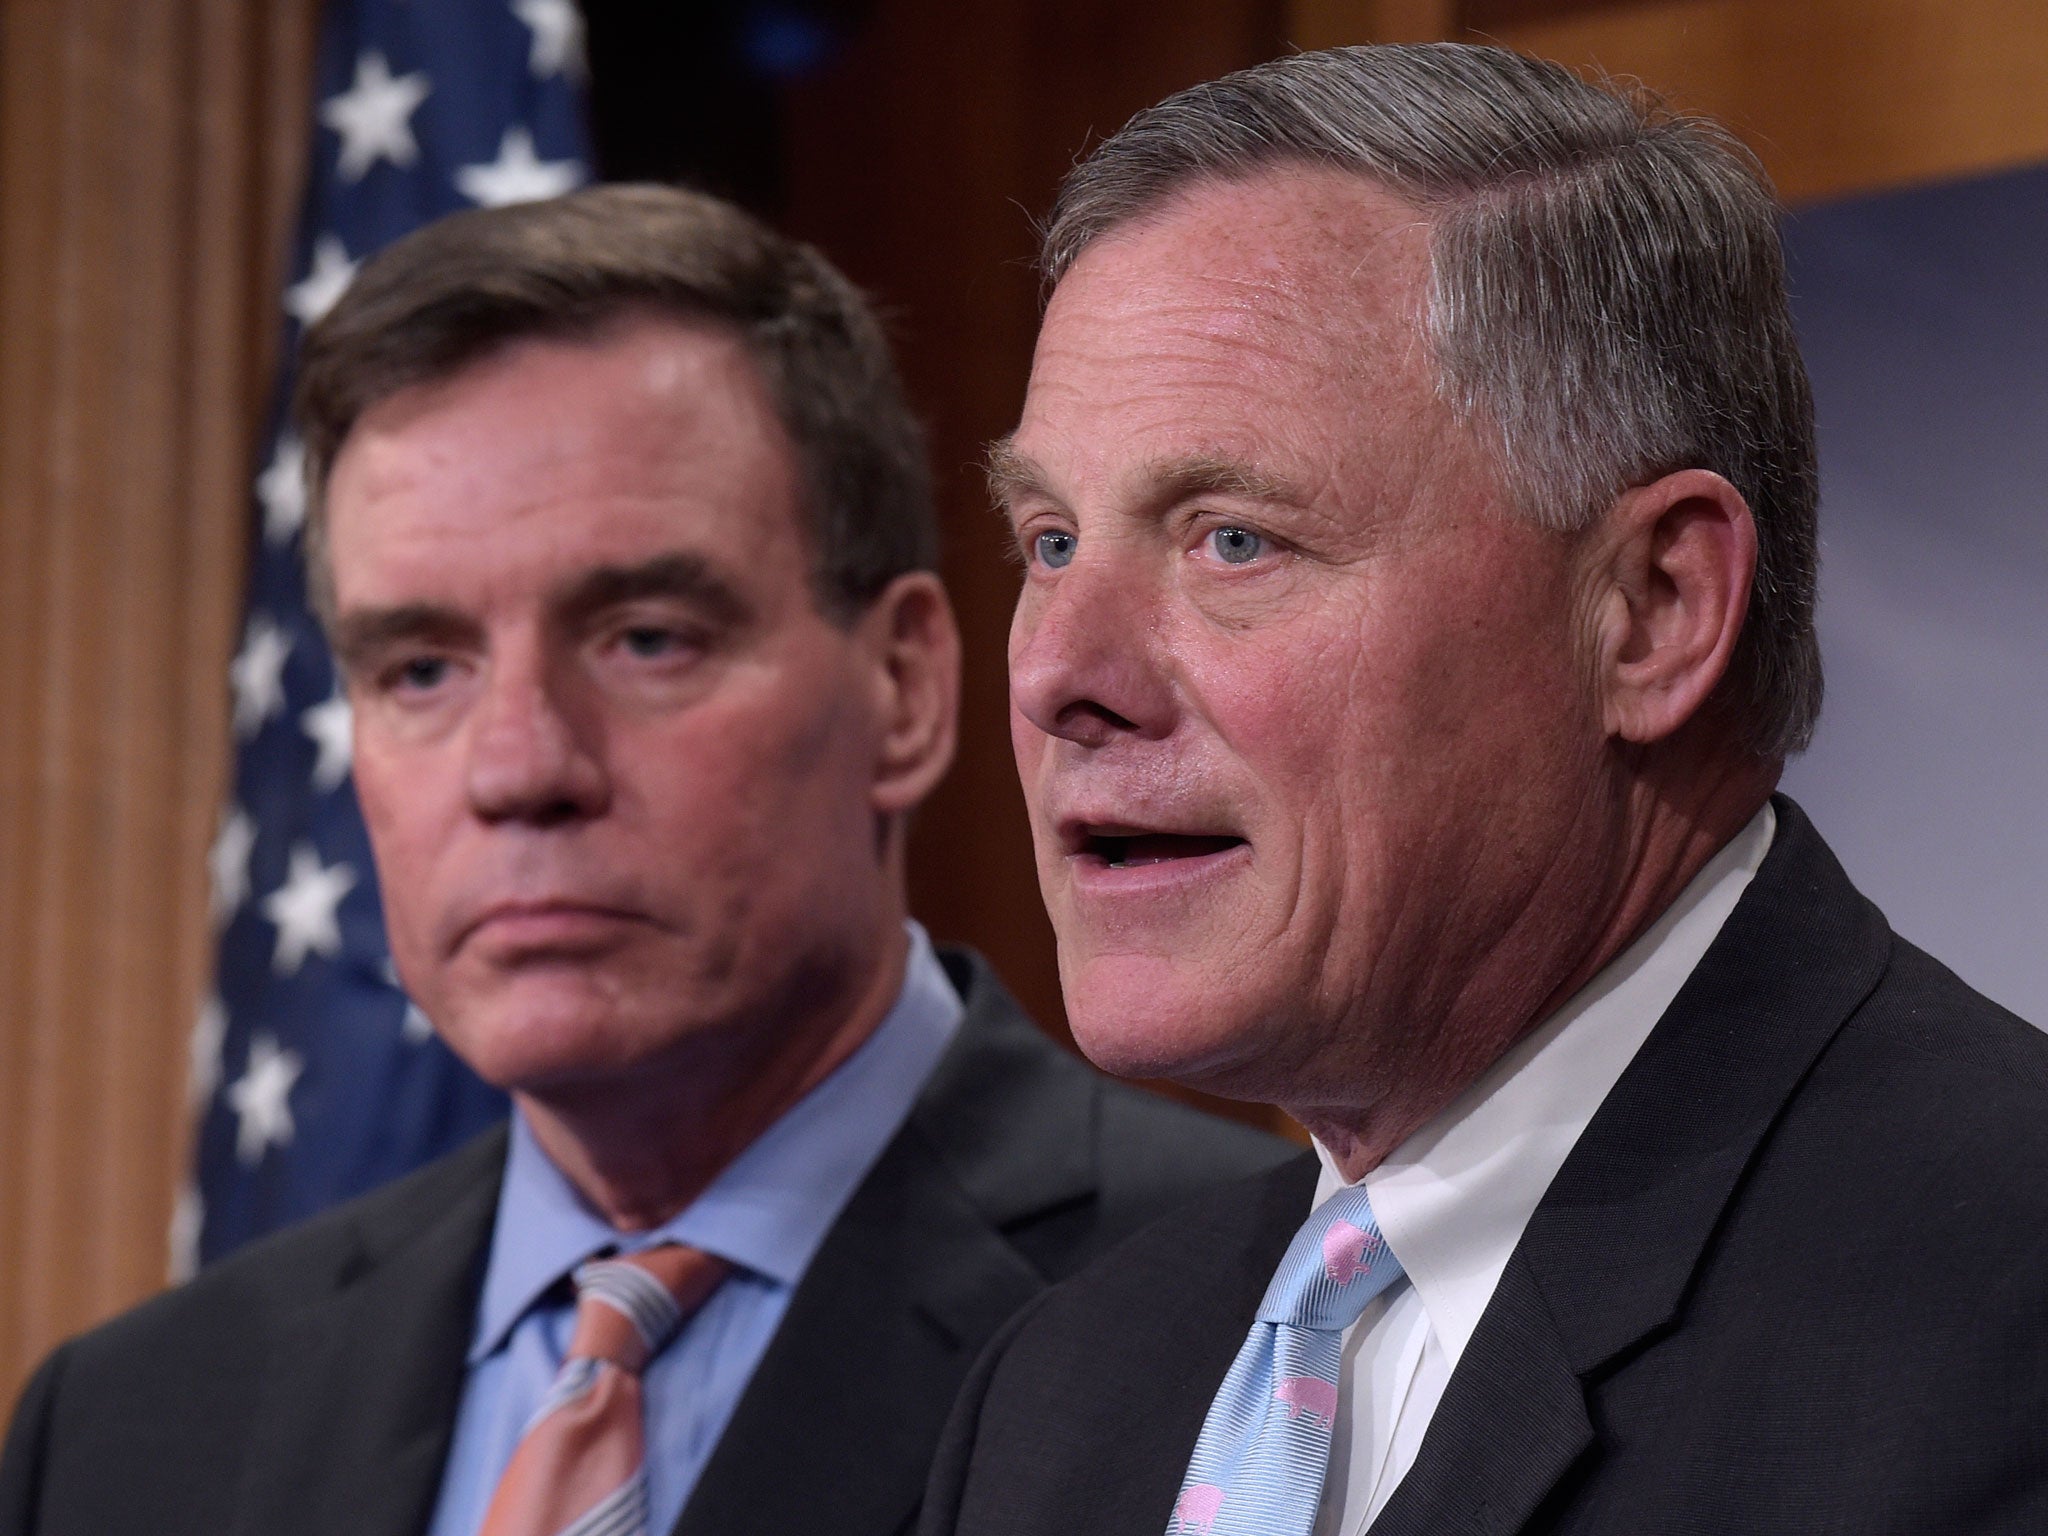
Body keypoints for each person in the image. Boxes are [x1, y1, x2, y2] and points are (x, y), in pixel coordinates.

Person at [0, 184, 1290, 1536]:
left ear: (904, 685)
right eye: (423, 667)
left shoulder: (1256, 1323)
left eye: (646, 639)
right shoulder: (136, 1424)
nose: (520, 770)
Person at [923, 43, 2048, 1536]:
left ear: (1651, 607)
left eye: (1233, 539)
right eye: (1052, 541)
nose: (1058, 671)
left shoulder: (2002, 1315)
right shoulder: (1065, 1392)